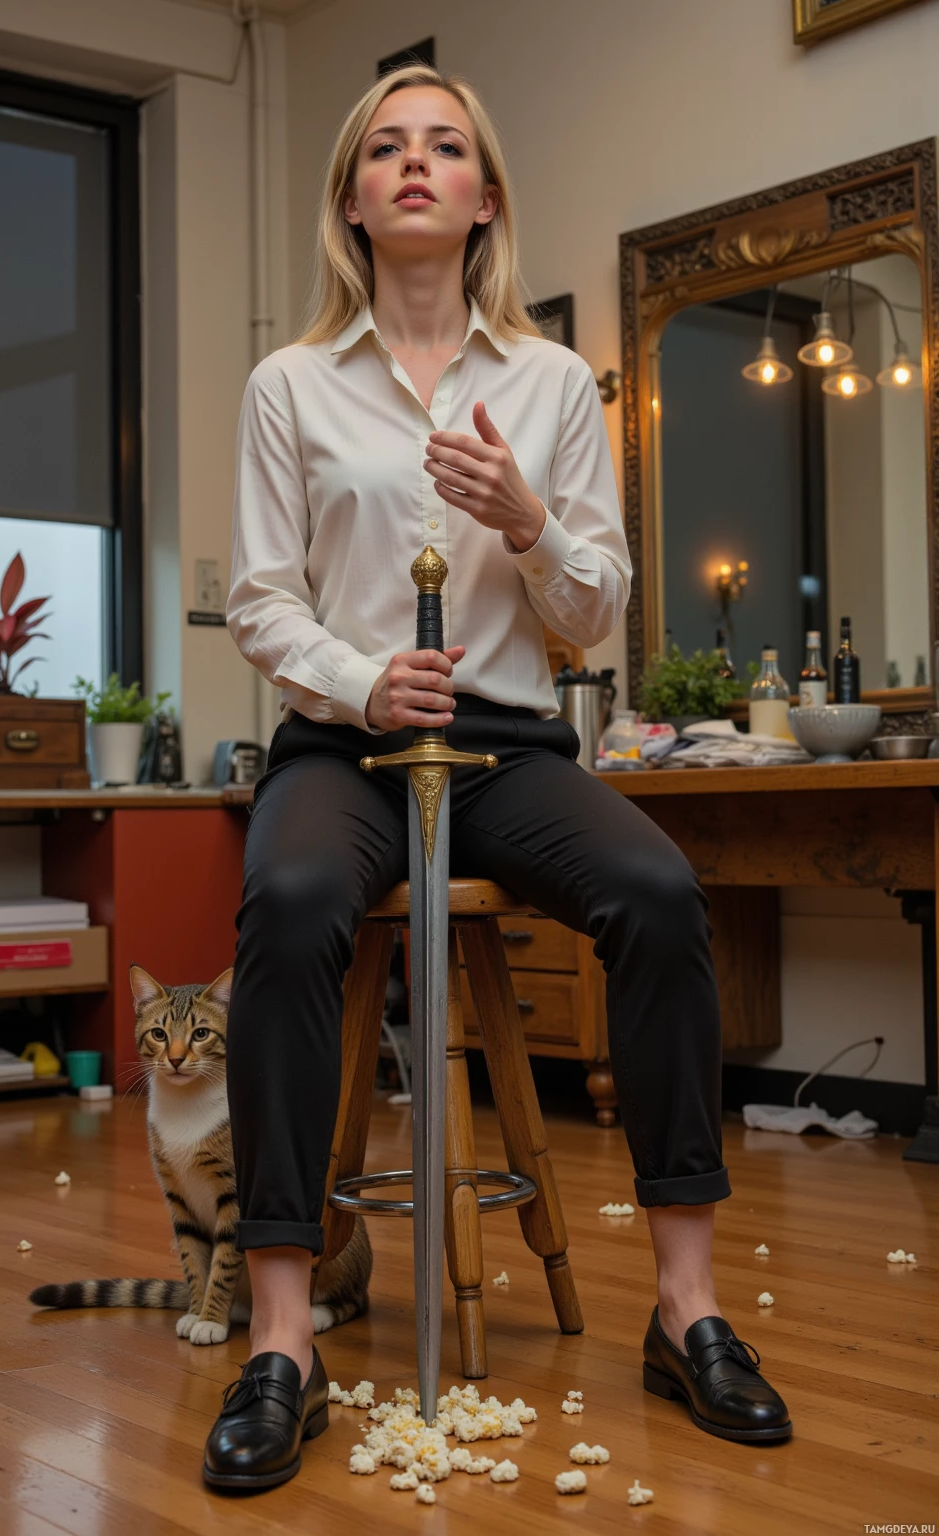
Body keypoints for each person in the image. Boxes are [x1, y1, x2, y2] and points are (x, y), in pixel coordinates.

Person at [204, 63, 791, 1494]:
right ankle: (281, 1338)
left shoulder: (551, 384)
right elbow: (261, 600)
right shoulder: (289, 385)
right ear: (354, 199)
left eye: (445, 146)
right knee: (288, 903)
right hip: (348, 744)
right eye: (386, 148)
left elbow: (597, 611)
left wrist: (531, 523)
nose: (415, 162)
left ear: (483, 199)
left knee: (660, 893)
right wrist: (360, 681)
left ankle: (687, 1309)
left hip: (505, 746)